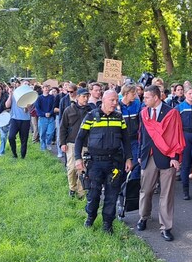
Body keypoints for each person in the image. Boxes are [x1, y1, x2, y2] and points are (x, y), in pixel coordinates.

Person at [74, 90, 133, 234]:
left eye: (116, 100)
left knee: (112, 194)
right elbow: (79, 138)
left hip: (114, 163)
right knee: (93, 194)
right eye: (112, 100)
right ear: (104, 100)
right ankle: (90, 217)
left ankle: (108, 223)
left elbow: (126, 140)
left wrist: (129, 158)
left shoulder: (119, 118)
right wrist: (77, 158)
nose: (115, 103)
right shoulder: (91, 116)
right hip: (95, 163)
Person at [136, 85, 185, 242]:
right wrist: (140, 154)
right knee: (146, 190)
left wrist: (175, 157)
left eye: (147, 97)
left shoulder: (171, 113)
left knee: (167, 194)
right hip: (148, 156)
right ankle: (143, 217)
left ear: (156, 97)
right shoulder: (143, 113)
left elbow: (177, 135)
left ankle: (166, 227)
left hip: (167, 157)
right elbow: (141, 135)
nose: (144, 100)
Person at [60, 86, 91, 198]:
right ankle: (72, 188)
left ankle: (81, 192)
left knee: (82, 169)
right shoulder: (69, 110)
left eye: (87, 96)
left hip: (86, 143)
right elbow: (63, 127)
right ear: (77, 97)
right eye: (84, 96)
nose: (86, 99)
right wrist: (62, 143)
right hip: (71, 143)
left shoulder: (90, 110)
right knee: (72, 167)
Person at [119, 83, 143, 180]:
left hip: (134, 139)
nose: (135, 96)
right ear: (126, 94)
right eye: (133, 94)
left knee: (136, 165)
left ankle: (133, 185)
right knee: (122, 165)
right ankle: (122, 186)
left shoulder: (137, 104)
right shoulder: (117, 106)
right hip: (121, 141)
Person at [5, 81, 32, 159]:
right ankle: (14, 154)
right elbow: (7, 105)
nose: (26, 85)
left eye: (28, 84)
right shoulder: (14, 94)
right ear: (21, 85)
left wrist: (27, 107)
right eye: (25, 84)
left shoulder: (30, 96)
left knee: (24, 139)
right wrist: (10, 95)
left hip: (25, 120)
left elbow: (28, 110)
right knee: (11, 137)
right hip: (14, 119)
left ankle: (23, 156)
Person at [35, 84, 56, 151]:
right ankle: (43, 148)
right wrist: (44, 114)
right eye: (45, 88)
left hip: (51, 117)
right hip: (42, 118)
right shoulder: (39, 98)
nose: (46, 89)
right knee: (42, 134)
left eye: (48, 88)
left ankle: (48, 143)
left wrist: (50, 113)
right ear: (42, 89)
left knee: (50, 132)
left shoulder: (52, 97)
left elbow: (54, 107)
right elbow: (37, 108)